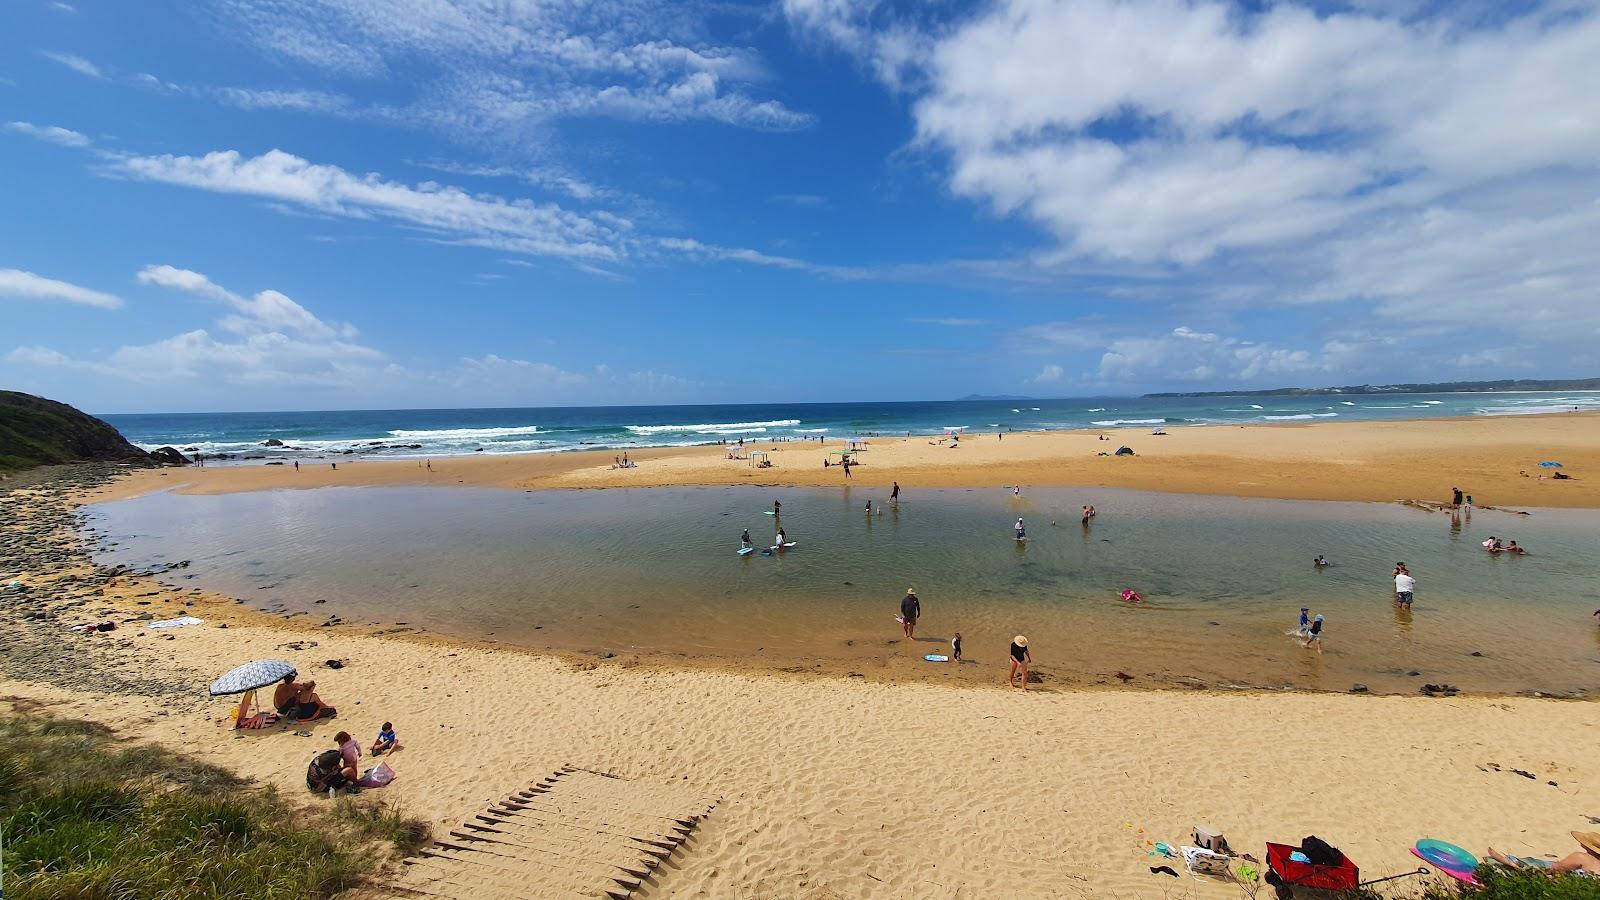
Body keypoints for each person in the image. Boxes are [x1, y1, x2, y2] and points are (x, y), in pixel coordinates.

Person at [272, 672, 336, 720]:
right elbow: (306, 687)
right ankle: (306, 705)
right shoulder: (292, 686)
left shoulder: (280, 685)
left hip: (278, 707)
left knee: (297, 694)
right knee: (303, 693)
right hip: (284, 708)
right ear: (292, 679)